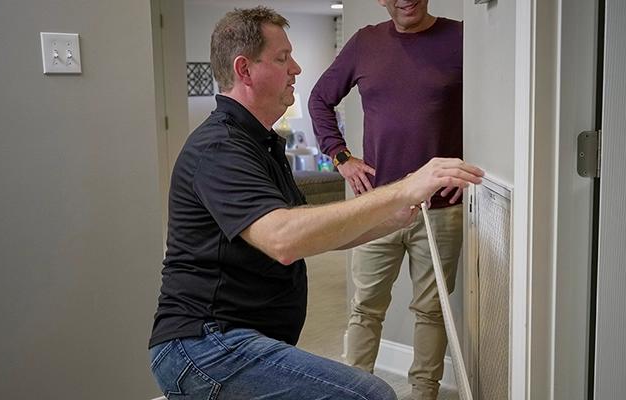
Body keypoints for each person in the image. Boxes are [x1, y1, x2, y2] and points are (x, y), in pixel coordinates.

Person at [148, 7, 483, 400]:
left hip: (239, 339)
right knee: (371, 394)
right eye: (282, 57)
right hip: (204, 346)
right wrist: (405, 187)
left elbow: (312, 233)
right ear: (244, 70)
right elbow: (284, 240)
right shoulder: (221, 148)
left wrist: (392, 220)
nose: (297, 68)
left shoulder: (262, 144)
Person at [306, 0, 464, 398]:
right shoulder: (365, 43)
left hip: (440, 209)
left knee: (431, 311)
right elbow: (319, 99)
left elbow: (498, 105)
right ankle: (352, 392)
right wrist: (341, 157)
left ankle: (424, 393)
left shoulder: (460, 37)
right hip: (377, 206)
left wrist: (471, 166)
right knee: (365, 309)